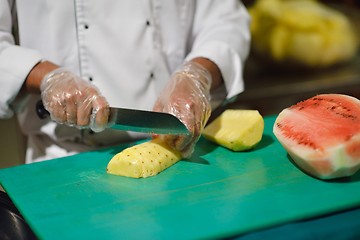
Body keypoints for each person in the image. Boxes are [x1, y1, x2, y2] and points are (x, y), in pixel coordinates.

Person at [0, 0, 251, 163]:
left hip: (177, 152)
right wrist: (46, 77)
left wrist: (198, 72)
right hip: (62, 158)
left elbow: (226, 19)